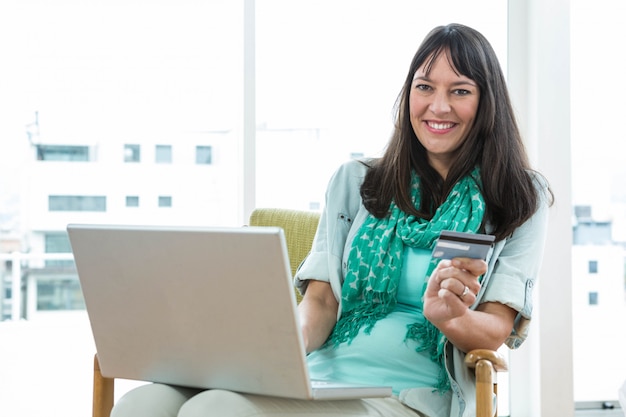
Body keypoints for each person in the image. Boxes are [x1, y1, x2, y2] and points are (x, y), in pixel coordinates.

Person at [111, 23, 553, 417]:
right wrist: (270, 349)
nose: (438, 106)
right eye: (424, 87)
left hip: (410, 396)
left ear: (486, 101)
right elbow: (320, 304)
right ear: (408, 95)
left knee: (215, 409)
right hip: (320, 379)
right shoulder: (357, 182)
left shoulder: (517, 197)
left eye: (460, 90)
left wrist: (449, 318)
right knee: (143, 403)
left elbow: (494, 329)